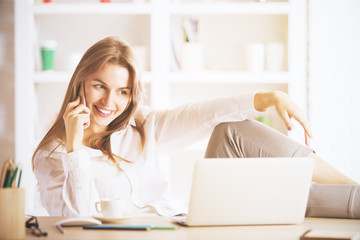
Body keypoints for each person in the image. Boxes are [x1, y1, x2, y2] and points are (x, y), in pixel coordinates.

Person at [33, 36, 359, 218]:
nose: (110, 102)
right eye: (99, 86)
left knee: (230, 130)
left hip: (182, 227)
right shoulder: (51, 155)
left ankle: (352, 191)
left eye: (123, 91)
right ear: (81, 82)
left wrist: (268, 97)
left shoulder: (139, 125)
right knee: (274, 199)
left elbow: (202, 114)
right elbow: (75, 222)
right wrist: (75, 148)